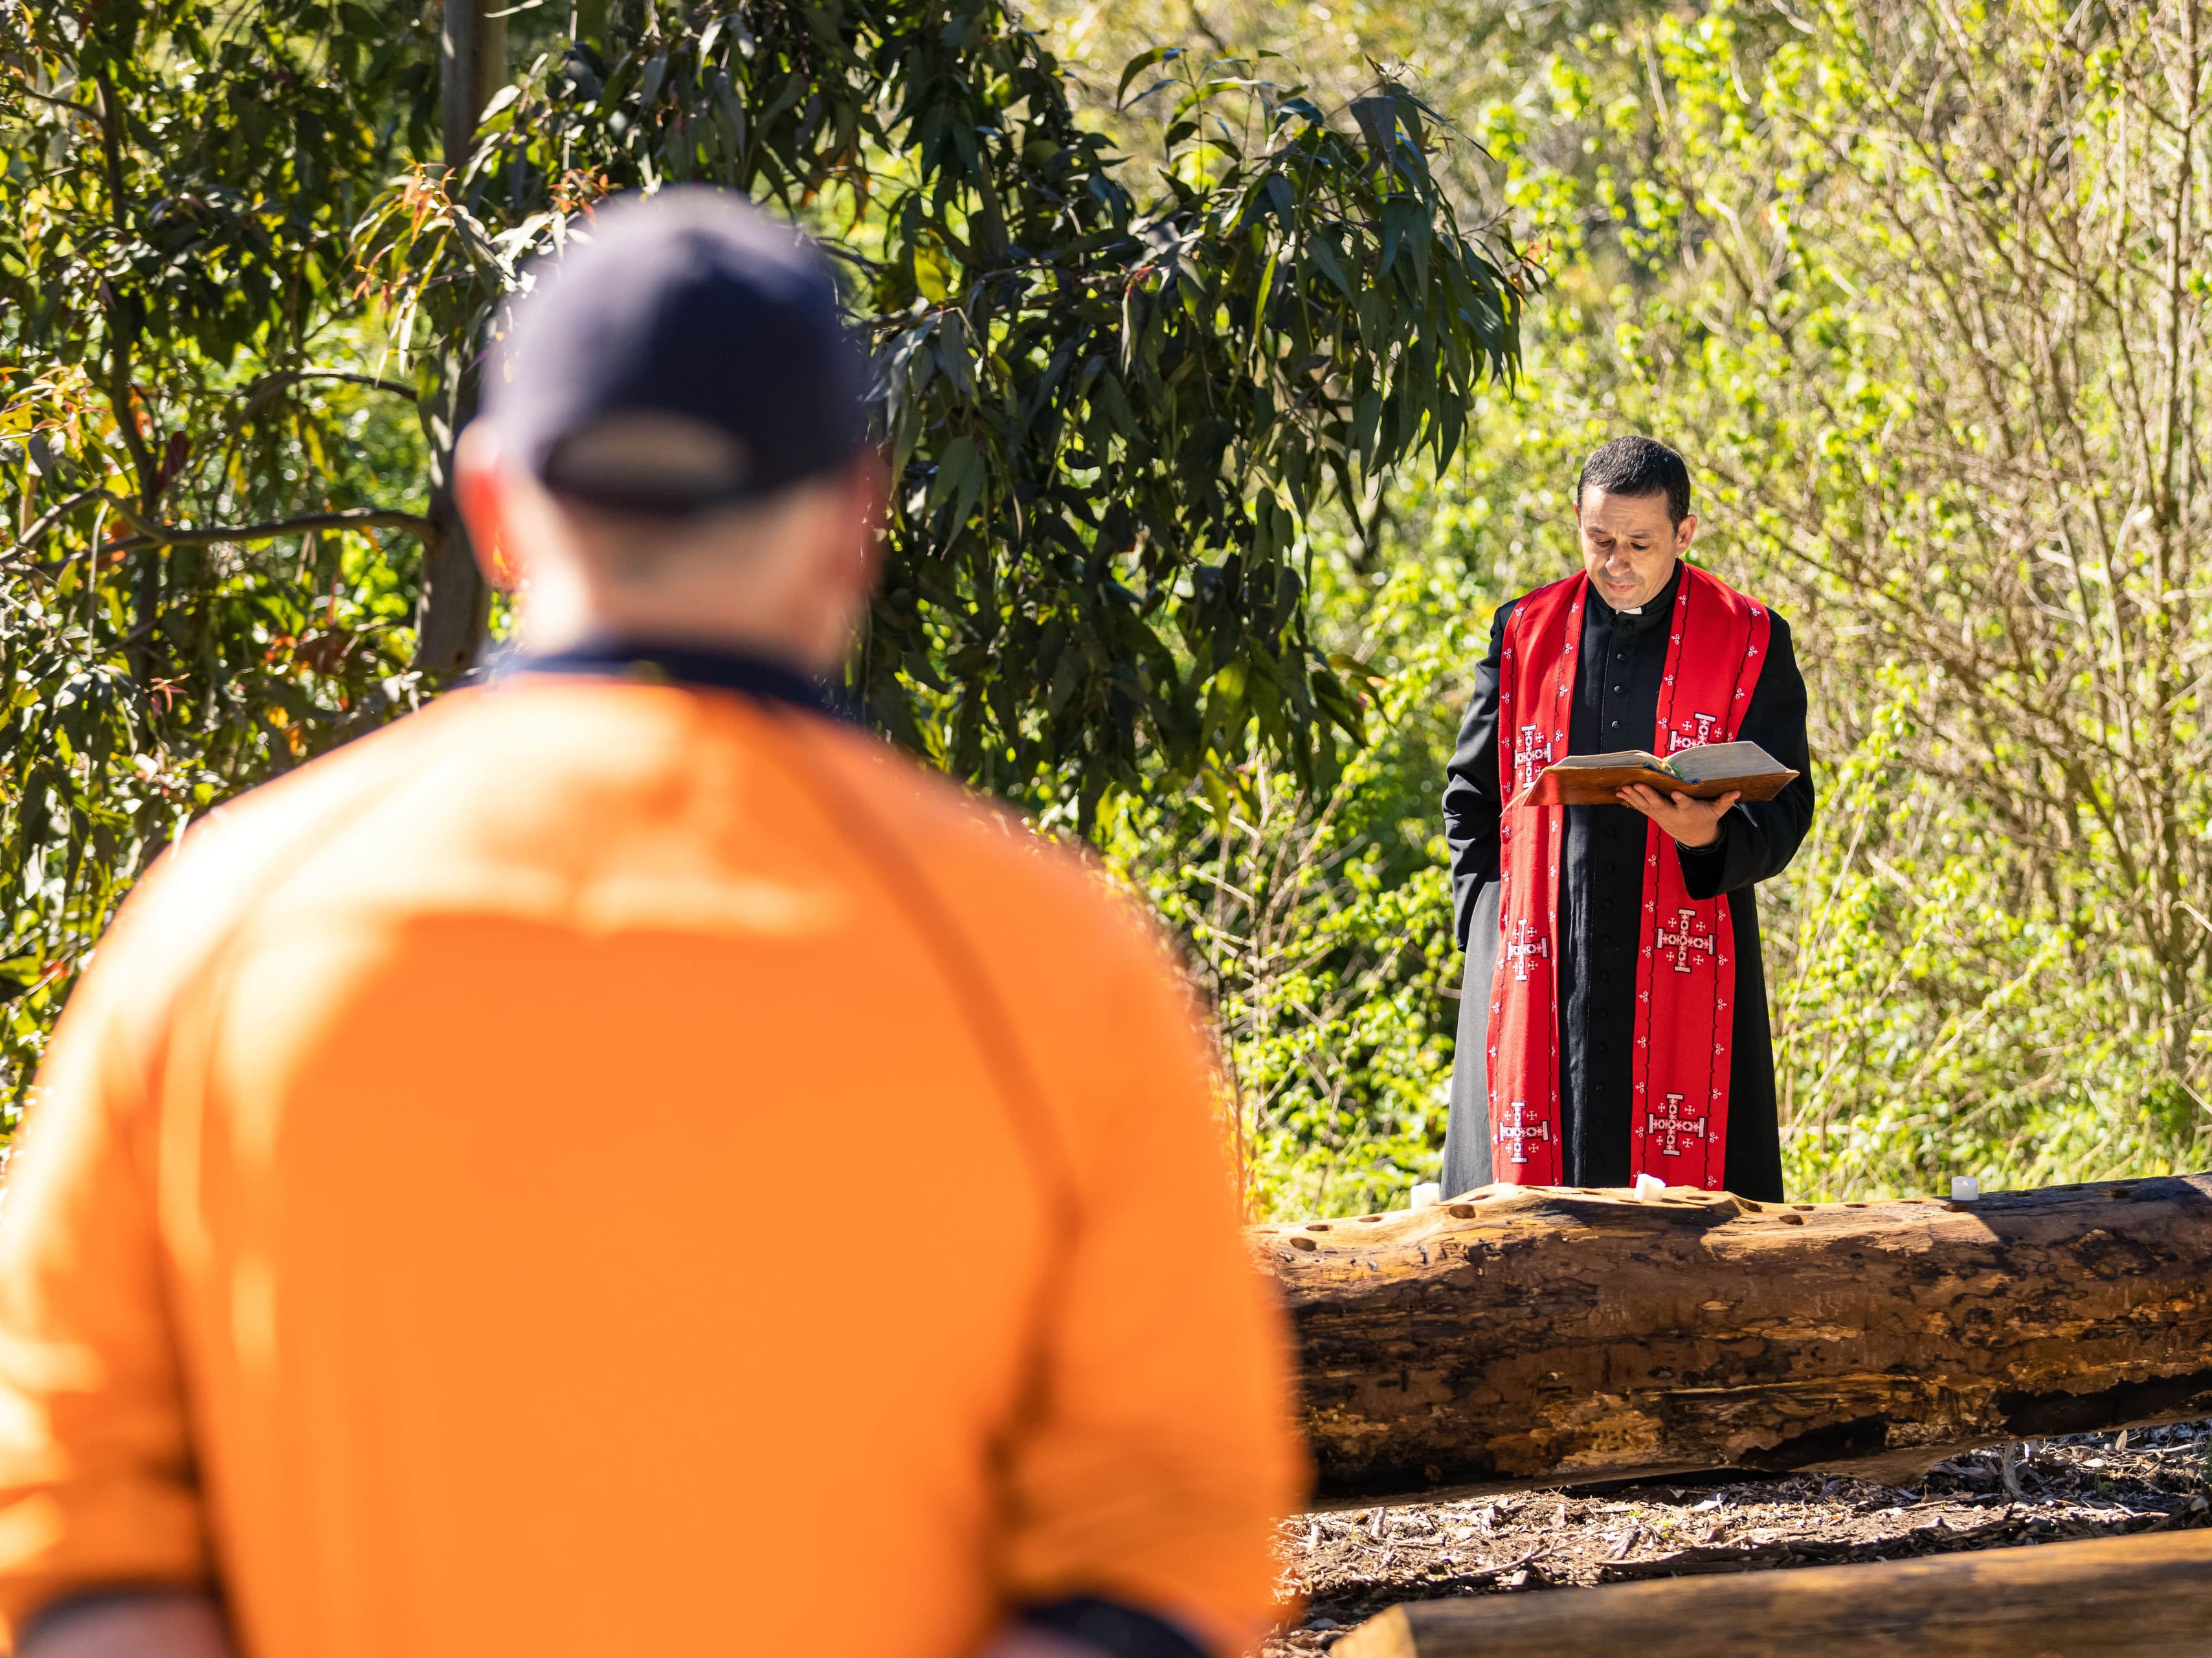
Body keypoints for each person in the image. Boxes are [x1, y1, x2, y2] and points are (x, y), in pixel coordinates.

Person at [0, 189, 1302, 1658]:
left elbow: (60, 1521)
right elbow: (1162, 1549)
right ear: (854, 520)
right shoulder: (1047, 960)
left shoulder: (219, 925)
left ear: (493, 505)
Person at [1440, 437, 1814, 1200]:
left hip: (1688, 957)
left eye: (1639, 543)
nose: (1616, 562)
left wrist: (1709, 837)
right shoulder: (1521, 635)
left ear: (1685, 532)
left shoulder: (1751, 637)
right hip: (1538, 967)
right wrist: (1488, 931)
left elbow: (1791, 801)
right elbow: (1470, 800)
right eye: (1598, 539)